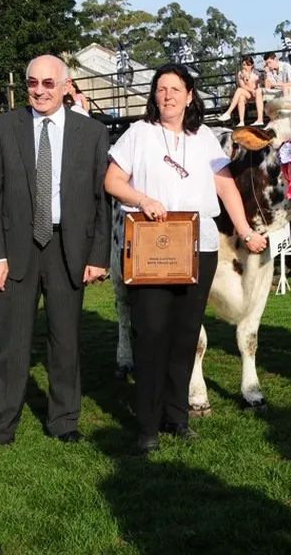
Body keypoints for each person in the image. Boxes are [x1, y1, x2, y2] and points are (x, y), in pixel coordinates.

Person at [104, 62, 268, 455]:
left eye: (176, 89)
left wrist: (245, 231)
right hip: (151, 244)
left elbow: (225, 186)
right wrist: (142, 199)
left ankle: (176, 417)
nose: (168, 96)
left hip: (200, 245)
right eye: (161, 89)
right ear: (154, 95)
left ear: (190, 95)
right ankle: (147, 427)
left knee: (184, 335)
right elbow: (112, 180)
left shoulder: (203, 137)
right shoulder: (138, 134)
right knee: (151, 333)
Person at [0, 55, 111, 457]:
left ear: (66, 85)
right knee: (11, 343)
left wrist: (99, 255)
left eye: (49, 83)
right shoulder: (2, 128)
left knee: (65, 341)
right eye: (33, 83)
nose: (40, 90)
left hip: (70, 249)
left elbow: (102, 202)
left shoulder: (93, 133)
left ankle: (64, 422)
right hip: (16, 249)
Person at [217, 56, 263, 126]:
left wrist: (248, 77)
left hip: (256, 94)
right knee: (241, 96)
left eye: (248, 65)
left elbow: (256, 86)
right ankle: (241, 121)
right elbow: (243, 86)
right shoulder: (240, 73)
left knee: (240, 91)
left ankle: (228, 113)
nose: (245, 67)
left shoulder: (256, 73)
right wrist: (245, 77)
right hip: (248, 94)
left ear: (252, 65)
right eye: (244, 65)